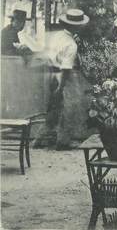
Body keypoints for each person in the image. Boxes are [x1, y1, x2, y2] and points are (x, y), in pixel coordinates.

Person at [34, 9, 90, 150]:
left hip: (51, 72)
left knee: (53, 107)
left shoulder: (58, 36)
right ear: (76, 27)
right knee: (69, 108)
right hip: (65, 76)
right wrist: (62, 86)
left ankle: (40, 139)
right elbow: (66, 67)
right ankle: (63, 141)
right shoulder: (71, 45)